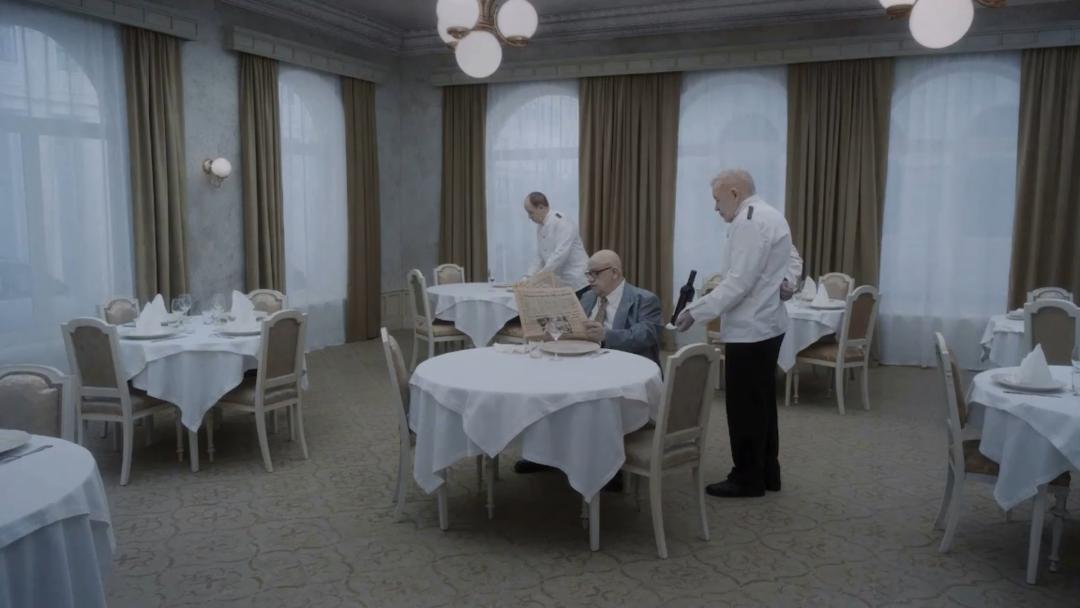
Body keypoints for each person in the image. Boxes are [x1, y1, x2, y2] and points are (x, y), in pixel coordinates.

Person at [674, 168, 793, 498]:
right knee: (763, 405)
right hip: (768, 325)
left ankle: (746, 478)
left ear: (735, 193)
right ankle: (768, 472)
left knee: (744, 408)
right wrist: (790, 283)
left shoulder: (749, 220)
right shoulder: (771, 215)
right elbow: (791, 260)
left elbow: (738, 283)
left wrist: (694, 312)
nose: (715, 207)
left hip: (750, 330)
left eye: (717, 199)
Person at [579, 250, 662, 367]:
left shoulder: (645, 300)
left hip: (626, 365)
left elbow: (644, 336)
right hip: (585, 361)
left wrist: (606, 336)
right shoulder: (587, 297)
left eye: (596, 273)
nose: (590, 280)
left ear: (615, 273)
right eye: (589, 274)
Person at [523, 192, 590, 296]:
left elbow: (560, 255)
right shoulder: (540, 226)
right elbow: (539, 257)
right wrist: (527, 277)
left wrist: (538, 278)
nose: (529, 217)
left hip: (578, 281)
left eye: (530, 212)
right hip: (563, 283)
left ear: (541, 207)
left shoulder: (562, 221)